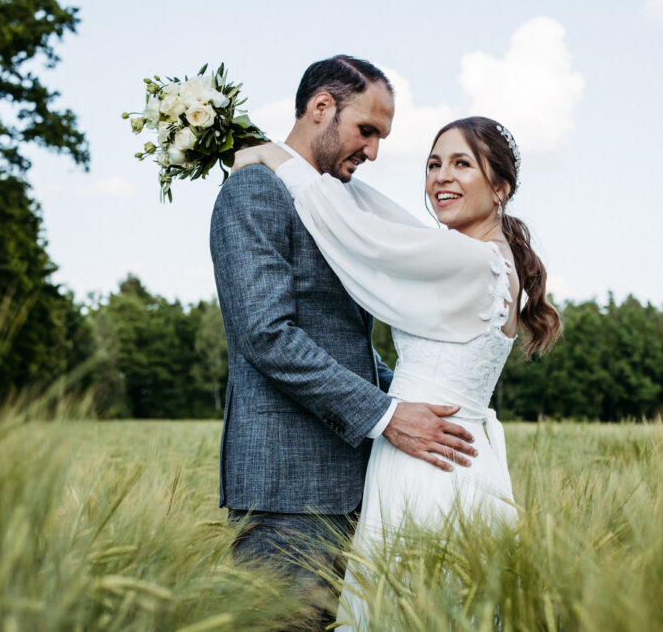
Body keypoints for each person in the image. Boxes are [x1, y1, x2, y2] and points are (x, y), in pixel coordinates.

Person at [232, 115, 562, 628]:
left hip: (425, 469)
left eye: (461, 164)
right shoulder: (488, 256)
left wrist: (277, 159)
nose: (441, 177)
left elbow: (364, 236)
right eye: (433, 164)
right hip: (456, 456)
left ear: (500, 187)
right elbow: (386, 218)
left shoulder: (470, 260)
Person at [209, 55, 480, 631]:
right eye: (367, 131)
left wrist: (415, 390)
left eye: (381, 136)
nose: (374, 152)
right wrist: (387, 414)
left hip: (360, 488)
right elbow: (267, 335)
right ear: (321, 108)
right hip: (287, 493)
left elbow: (346, 340)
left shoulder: (330, 201)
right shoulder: (254, 192)